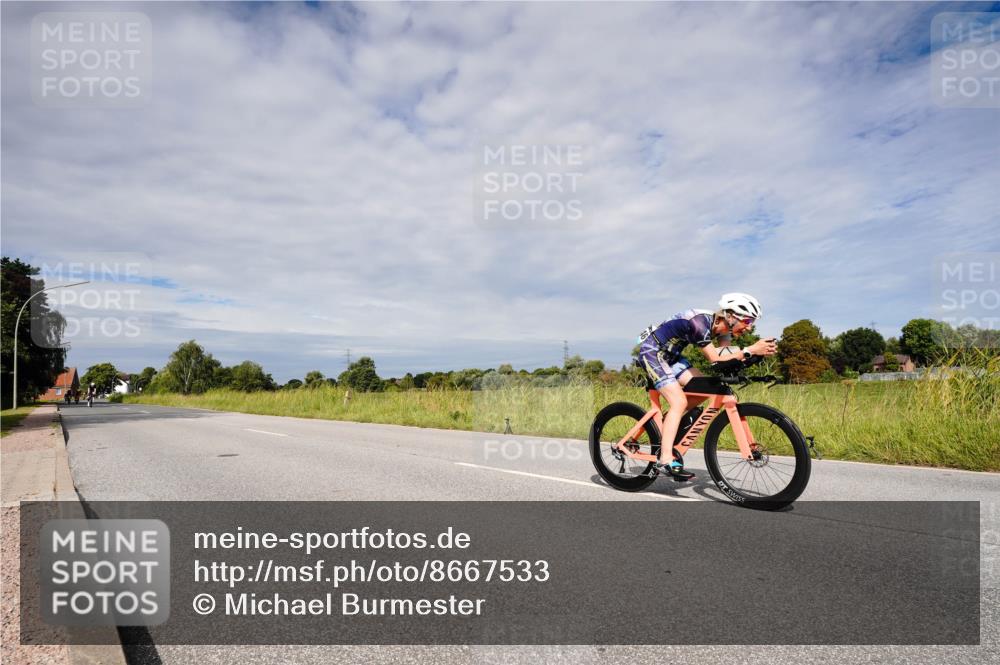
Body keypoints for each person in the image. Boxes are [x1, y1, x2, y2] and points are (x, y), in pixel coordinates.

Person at [636, 292, 778, 481]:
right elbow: (715, 359)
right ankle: (665, 459)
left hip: (673, 358)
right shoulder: (699, 324)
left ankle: (668, 424)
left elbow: (725, 357)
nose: (749, 327)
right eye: (747, 321)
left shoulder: (724, 330)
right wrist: (750, 349)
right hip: (653, 354)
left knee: (704, 389)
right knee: (678, 402)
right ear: (730, 316)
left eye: (751, 322)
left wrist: (754, 355)